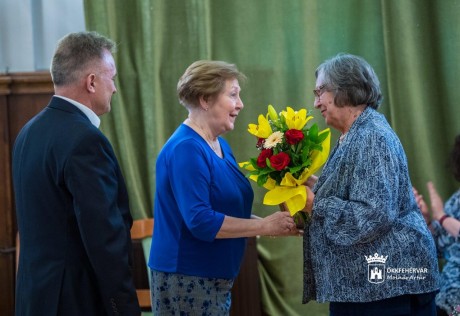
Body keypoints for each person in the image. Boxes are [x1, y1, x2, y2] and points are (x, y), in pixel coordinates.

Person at [148, 60, 300, 315]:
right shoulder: (187, 148)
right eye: (233, 95)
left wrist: (277, 225)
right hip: (187, 280)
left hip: (214, 279)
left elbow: (228, 212)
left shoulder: (219, 145)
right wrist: (263, 226)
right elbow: (201, 220)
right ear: (205, 99)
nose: (240, 104)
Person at [300, 53, 439, 315]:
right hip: (369, 286)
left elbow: (372, 214)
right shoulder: (356, 133)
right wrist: (311, 184)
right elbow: (358, 189)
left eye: (320, 91)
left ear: (345, 88)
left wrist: (315, 203)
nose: (315, 102)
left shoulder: (370, 136)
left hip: (386, 287)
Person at [12, 31, 140, 316]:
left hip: (33, 298)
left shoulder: (28, 132)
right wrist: (125, 309)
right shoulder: (85, 140)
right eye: (113, 78)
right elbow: (105, 239)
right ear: (92, 82)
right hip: (75, 301)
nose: (115, 89)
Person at [413, 135, 460, 316]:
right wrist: (426, 221)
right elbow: (438, 249)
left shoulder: (445, 212)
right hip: (446, 299)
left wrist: (441, 217)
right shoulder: (455, 201)